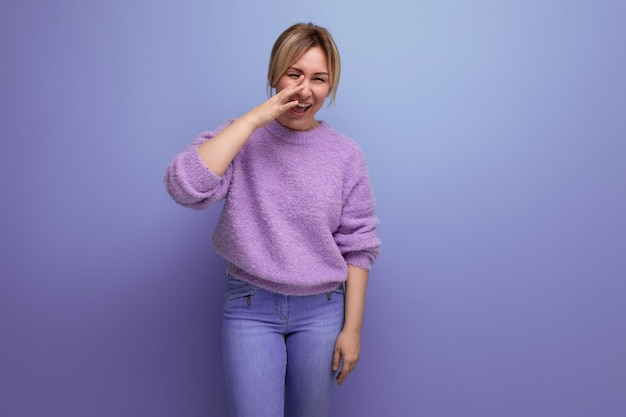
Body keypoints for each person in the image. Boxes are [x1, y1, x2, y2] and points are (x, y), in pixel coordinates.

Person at [164, 22, 380, 417]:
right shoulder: (240, 138)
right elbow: (183, 187)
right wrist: (250, 122)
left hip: (322, 308)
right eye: (294, 75)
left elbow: (359, 245)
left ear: (331, 86)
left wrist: (352, 330)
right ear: (274, 75)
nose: (304, 90)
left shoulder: (345, 155)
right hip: (249, 304)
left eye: (319, 79)